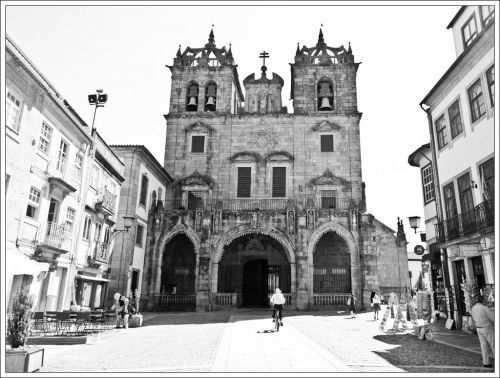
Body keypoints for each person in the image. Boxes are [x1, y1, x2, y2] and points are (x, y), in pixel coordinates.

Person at [471, 295, 495, 368]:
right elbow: (493, 318)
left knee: (483, 345)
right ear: (483, 300)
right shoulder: (485, 308)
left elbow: (474, 318)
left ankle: (485, 362)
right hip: (486, 328)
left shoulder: (474, 308)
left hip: (479, 328)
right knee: (494, 345)